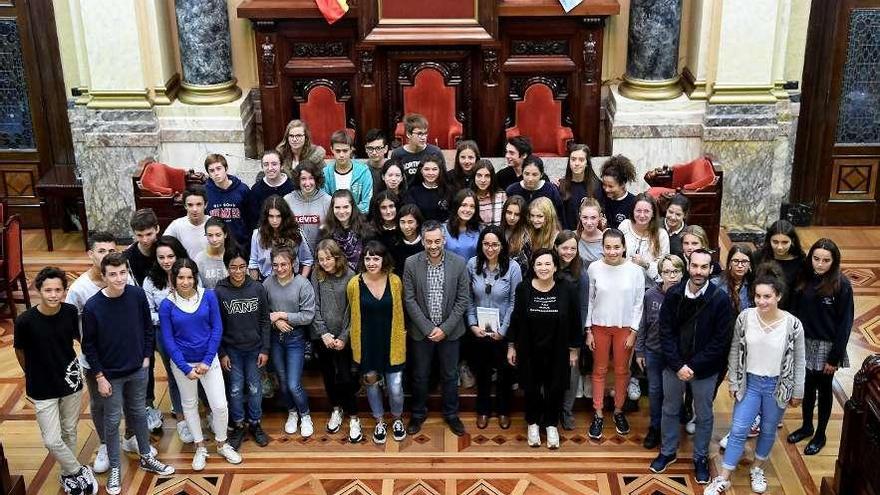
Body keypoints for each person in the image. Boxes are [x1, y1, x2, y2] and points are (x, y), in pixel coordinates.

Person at [703, 274, 806, 495]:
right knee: (739, 429)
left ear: (778, 295)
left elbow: (799, 361)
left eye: (767, 296)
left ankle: (757, 468)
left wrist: (798, 391)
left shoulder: (793, 324)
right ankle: (724, 477)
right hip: (749, 383)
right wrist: (733, 381)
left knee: (768, 429)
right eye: (758, 296)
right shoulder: (745, 317)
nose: (761, 301)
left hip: (777, 386)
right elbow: (734, 350)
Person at [82, 253, 175, 494]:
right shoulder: (93, 306)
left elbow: (147, 327)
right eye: (112, 274)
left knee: (138, 414)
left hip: (138, 369)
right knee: (112, 421)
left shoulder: (136, 295)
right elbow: (88, 346)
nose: (119, 278)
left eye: (122, 272)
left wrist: (146, 357)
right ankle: (115, 467)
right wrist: (100, 377)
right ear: (103, 276)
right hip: (110, 375)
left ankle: (146, 455)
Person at [649, 249, 732, 485]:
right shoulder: (674, 294)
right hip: (673, 366)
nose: (698, 271)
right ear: (688, 266)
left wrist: (693, 366)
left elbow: (720, 340)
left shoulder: (720, 299)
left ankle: (701, 458)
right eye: (694, 266)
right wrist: (677, 365)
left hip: (704, 369)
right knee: (669, 409)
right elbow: (665, 333)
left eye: (703, 267)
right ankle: (667, 451)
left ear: (710, 269)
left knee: (704, 415)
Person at [65, 232, 144, 476]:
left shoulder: (125, 278)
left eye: (111, 251)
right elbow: (70, 325)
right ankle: (104, 445)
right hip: (97, 361)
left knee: (133, 402)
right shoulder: (80, 289)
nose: (106, 256)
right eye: (101, 251)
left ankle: (131, 436)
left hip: (127, 357)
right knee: (101, 406)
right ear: (91, 254)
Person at [14, 267, 97, 495]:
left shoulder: (70, 312)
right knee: (51, 439)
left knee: (69, 430)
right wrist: (31, 372)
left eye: (58, 290)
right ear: (38, 290)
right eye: (48, 290)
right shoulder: (25, 321)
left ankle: (66, 475)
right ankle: (78, 471)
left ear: (64, 291)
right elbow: (19, 351)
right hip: (41, 386)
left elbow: (80, 339)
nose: (53, 295)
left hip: (70, 381)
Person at [159, 258, 243, 470]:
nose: (185, 282)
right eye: (181, 278)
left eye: (189, 277)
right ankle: (200, 447)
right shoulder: (167, 305)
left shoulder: (209, 296)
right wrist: (185, 368)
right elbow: (168, 340)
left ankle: (222, 444)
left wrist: (206, 361)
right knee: (189, 405)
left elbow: (217, 329)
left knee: (220, 406)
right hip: (183, 365)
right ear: (174, 279)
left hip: (209, 360)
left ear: (195, 277)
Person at [507, 248, 582, 449]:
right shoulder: (523, 289)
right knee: (531, 387)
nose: (543, 268)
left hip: (558, 348)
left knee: (555, 388)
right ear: (533, 266)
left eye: (548, 263)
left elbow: (576, 320)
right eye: (539, 264)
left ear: (555, 266)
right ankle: (532, 423)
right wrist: (511, 346)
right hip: (529, 348)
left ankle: (550, 424)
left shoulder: (567, 289)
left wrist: (574, 350)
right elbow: (516, 318)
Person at [403, 221, 471, 436]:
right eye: (429, 241)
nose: (433, 245)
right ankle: (418, 413)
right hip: (421, 333)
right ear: (422, 241)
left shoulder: (459, 264)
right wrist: (427, 328)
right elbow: (409, 299)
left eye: (437, 241)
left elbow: (462, 300)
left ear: (444, 240)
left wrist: (445, 329)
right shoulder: (411, 263)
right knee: (420, 375)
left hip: (450, 333)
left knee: (450, 376)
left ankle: (451, 414)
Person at [787, 238, 853, 455]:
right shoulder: (803, 278)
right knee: (806, 388)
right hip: (803, 342)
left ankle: (820, 434)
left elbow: (845, 324)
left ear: (833, 262)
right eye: (816, 259)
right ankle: (807, 426)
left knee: (824, 391)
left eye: (826, 260)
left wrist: (834, 358)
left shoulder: (841, 285)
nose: (820, 264)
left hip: (827, 346)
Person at [585, 228, 645, 440]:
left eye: (616, 247)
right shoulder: (594, 268)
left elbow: (639, 303)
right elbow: (589, 300)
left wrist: (635, 331)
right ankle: (598, 413)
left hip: (625, 329)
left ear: (624, 247)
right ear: (602, 248)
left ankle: (619, 411)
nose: (612, 251)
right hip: (599, 326)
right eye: (608, 247)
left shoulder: (635, 271)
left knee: (621, 371)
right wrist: (588, 330)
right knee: (599, 369)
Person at [347, 241, 408, 443]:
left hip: (392, 343)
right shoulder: (354, 284)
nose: (371, 262)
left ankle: (397, 419)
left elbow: (401, 312)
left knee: (395, 388)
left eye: (376, 258)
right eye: (367, 258)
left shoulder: (395, 281)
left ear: (384, 259)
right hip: (367, 345)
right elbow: (352, 316)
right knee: (371, 385)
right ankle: (380, 421)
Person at [215, 248, 271, 450]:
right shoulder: (219, 291)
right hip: (232, 351)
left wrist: (265, 349)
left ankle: (255, 423)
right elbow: (216, 325)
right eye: (233, 267)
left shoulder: (257, 288)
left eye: (242, 267)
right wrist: (222, 353)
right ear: (227, 268)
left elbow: (265, 321)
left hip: (255, 350)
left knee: (255, 389)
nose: (238, 271)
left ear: (247, 267)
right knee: (236, 389)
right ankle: (238, 424)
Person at [466, 225, 521, 430]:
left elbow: (515, 302)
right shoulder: (472, 264)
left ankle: (504, 410)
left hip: (502, 332)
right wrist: (472, 324)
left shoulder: (513, 267)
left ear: (502, 246)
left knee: (505, 374)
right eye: (486, 244)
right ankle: (483, 410)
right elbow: (468, 298)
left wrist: (504, 331)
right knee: (482, 371)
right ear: (481, 245)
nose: (490, 248)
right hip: (479, 330)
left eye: (495, 244)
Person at [263, 246, 316, 438]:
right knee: (283, 383)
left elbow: (308, 315)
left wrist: (283, 315)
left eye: (284, 264)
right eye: (275, 265)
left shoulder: (303, 284)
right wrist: (275, 320)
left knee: (294, 383)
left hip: (296, 339)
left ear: (293, 263)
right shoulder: (267, 283)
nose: (279, 268)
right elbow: (263, 312)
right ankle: (292, 412)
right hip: (275, 339)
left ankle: (305, 414)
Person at [311, 239, 361, 442]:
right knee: (329, 376)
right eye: (321, 259)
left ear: (337, 257)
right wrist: (323, 332)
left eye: (328, 258)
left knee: (346, 378)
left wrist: (343, 337)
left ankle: (354, 416)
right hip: (323, 337)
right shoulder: (317, 274)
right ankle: (336, 408)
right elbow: (313, 304)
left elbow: (353, 310)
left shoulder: (350, 275)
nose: (325, 262)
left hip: (343, 338)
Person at [141, 236, 189, 441]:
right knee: (174, 373)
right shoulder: (150, 281)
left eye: (170, 256)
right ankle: (181, 419)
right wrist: (167, 316)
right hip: (164, 333)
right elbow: (147, 313)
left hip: (190, 330)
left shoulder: (189, 273)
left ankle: (206, 411)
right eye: (161, 257)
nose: (166, 261)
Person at [635, 254, 684, 449]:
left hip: (676, 356)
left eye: (675, 272)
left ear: (682, 273)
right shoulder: (651, 296)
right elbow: (643, 324)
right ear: (660, 274)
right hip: (653, 351)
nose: (671, 276)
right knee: (654, 392)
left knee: (672, 394)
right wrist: (639, 351)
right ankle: (655, 428)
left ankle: (669, 430)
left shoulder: (686, 296)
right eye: (667, 272)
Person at [555, 231, 590, 431]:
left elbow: (584, 306)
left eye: (572, 248)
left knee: (571, 373)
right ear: (556, 248)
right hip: (550, 330)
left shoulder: (581, 273)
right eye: (564, 248)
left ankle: (566, 411)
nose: (568, 252)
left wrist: (578, 335)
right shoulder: (549, 266)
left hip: (571, 332)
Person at [248, 195, 313, 279]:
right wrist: (256, 286)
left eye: (278, 216)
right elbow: (253, 263)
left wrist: (301, 282)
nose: (274, 220)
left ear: (284, 216)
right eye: (271, 216)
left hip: (292, 280)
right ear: (266, 217)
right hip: (266, 281)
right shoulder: (257, 235)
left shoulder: (296, 233)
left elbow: (307, 260)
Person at [618, 193, 671, 286]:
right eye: (638, 211)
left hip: (650, 288)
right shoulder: (624, 226)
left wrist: (645, 264)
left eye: (646, 211)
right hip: (623, 283)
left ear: (653, 213)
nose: (642, 215)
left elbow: (663, 270)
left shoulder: (661, 235)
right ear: (633, 211)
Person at [319, 189, 377, 270]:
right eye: (337, 207)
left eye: (346, 207)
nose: (342, 211)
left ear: (352, 207)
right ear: (332, 209)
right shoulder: (326, 231)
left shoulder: (366, 230)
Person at [285, 160, 332, 256]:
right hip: (295, 257)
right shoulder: (287, 200)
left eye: (311, 178)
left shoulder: (327, 201)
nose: (307, 183)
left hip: (321, 257)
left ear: (317, 179)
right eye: (303, 179)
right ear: (298, 180)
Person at [204, 153, 251, 249]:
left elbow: (250, 218)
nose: (216, 173)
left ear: (226, 168)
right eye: (211, 171)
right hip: (215, 244)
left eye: (219, 168)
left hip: (240, 243)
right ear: (208, 173)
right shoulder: (204, 192)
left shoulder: (242, 189)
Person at [758, 219, 806, 310]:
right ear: (769, 240)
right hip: (760, 308)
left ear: (792, 241)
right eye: (775, 242)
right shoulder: (758, 257)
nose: (780, 247)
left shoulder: (801, 262)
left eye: (785, 242)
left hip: (789, 312)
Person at [322, 130, 374, 213]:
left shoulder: (363, 172)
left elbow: (366, 203)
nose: (341, 155)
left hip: (358, 220)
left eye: (345, 151)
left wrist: (347, 213)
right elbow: (324, 203)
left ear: (351, 149)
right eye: (338, 151)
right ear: (331, 149)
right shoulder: (325, 173)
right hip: (334, 220)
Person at [390, 113, 445, 185]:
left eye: (425, 133)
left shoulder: (435, 152)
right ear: (408, 134)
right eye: (419, 134)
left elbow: (443, 178)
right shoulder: (397, 154)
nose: (423, 137)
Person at [559, 144, 603, 230]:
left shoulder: (597, 186)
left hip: (590, 235)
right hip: (568, 237)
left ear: (587, 163)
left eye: (581, 160)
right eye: (573, 159)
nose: (576, 163)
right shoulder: (561, 185)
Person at [247, 149, 295, 229]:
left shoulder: (292, 187)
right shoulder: (256, 190)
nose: (270, 168)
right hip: (265, 235)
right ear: (262, 167)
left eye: (274, 164)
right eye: (266, 164)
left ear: (282, 165)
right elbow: (254, 220)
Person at [164, 188, 211, 257]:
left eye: (199, 204)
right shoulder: (176, 225)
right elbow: (163, 247)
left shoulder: (215, 223)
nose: (195, 209)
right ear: (185, 206)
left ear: (206, 205)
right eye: (190, 205)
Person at [403, 153, 450, 222]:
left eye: (434, 169)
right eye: (426, 169)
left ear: (440, 171)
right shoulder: (413, 192)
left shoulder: (448, 190)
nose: (430, 173)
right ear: (421, 171)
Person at [194, 217, 236, 289]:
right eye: (210, 235)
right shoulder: (199, 259)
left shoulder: (235, 255)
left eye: (218, 235)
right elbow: (197, 288)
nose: (214, 239)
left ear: (225, 234)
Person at [599, 155, 637, 229]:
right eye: (604, 185)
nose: (606, 189)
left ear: (622, 184)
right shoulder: (600, 197)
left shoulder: (633, 203)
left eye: (611, 186)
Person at [125, 208, 160, 285]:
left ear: (157, 229)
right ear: (134, 233)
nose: (145, 240)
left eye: (149, 234)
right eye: (140, 235)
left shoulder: (168, 249)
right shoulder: (128, 256)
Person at [443, 189, 481, 261]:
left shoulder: (480, 229)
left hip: (473, 271)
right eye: (464, 205)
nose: (467, 209)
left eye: (472, 206)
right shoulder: (443, 229)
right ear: (456, 206)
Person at [390, 203, 424, 276]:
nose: (406, 227)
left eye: (410, 222)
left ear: (417, 223)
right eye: (402, 222)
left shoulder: (425, 242)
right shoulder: (395, 243)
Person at [472, 159, 506, 226]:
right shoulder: (469, 197)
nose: (483, 180)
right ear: (474, 177)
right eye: (479, 175)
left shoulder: (502, 196)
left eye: (487, 176)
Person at [501, 195, 531, 269]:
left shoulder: (526, 238)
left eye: (517, 214)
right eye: (509, 213)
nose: (512, 217)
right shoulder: (499, 231)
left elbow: (525, 267)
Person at [576, 197, 604, 268]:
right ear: (580, 216)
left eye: (593, 218)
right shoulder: (573, 237)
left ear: (600, 217)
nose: (589, 222)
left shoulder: (605, 240)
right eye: (585, 217)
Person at [363, 128, 389, 196]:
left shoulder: (393, 168)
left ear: (385, 149)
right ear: (366, 149)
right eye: (370, 148)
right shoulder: (362, 170)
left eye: (378, 148)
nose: (374, 153)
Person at [664, 194, 689, 258]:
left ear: (685, 215)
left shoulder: (688, 234)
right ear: (666, 209)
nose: (673, 217)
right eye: (670, 212)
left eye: (678, 214)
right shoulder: (655, 225)